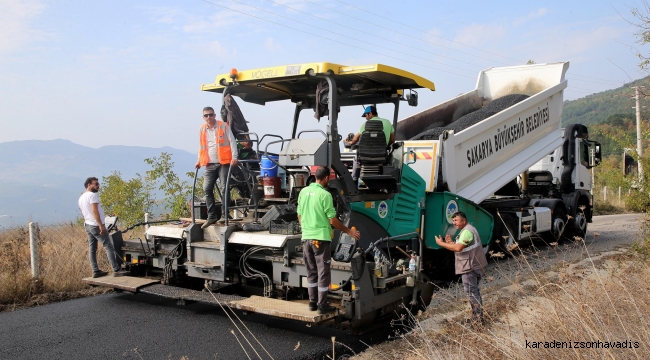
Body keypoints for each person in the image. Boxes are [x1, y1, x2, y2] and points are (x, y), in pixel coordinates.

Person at [297, 166, 361, 314]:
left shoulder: (303, 192)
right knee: (323, 272)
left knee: (311, 271)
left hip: (306, 237)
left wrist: (307, 229)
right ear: (326, 178)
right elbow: (332, 220)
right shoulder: (325, 195)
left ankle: (312, 303)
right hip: (320, 239)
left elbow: (299, 215)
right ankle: (322, 304)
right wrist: (349, 231)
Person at [435, 211, 488, 327]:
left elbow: (458, 248)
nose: (454, 222)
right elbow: (461, 246)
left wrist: (442, 244)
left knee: (472, 293)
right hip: (474, 265)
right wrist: (450, 243)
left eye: (456, 220)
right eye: (453, 220)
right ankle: (478, 318)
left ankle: (478, 321)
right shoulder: (467, 230)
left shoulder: (467, 231)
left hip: (470, 267)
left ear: (463, 220)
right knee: (474, 292)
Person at [195, 106, 239, 228]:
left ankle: (224, 215)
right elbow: (202, 146)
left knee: (225, 188)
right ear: (203, 117)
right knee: (207, 188)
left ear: (214, 115)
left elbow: (232, 141)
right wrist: (199, 160)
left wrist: (234, 157)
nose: (208, 117)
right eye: (206, 115)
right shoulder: (202, 129)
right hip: (209, 163)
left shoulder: (223, 126)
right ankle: (212, 216)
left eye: (210, 114)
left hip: (223, 162)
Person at [78, 177, 128, 278]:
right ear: (89, 185)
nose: (98, 186)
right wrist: (101, 225)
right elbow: (94, 211)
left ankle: (95, 271)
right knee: (108, 246)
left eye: (98, 184)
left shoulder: (82, 197)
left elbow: (84, 213)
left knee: (92, 248)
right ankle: (116, 269)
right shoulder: (92, 195)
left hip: (88, 225)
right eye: (96, 184)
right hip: (95, 225)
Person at [344, 106, 395, 181]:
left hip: (365, 157)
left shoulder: (365, 125)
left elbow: (355, 139)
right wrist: (383, 147)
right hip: (382, 156)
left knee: (356, 159)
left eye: (366, 115)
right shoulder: (387, 122)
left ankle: (354, 180)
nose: (365, 118)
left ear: (370, 114)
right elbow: (392, 140)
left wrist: (350, 142)